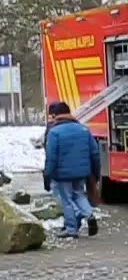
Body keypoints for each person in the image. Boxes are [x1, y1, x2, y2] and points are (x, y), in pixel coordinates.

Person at [43, 101, 100, 239]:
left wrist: (47, 175)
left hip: (63, 174)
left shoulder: (54, 132)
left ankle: (71, 229)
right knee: (79, 195)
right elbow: (95, 153)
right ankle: (89, 215)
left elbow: (51, 157)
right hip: (81, 173)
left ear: (56, 116)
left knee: (67, 200)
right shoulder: (83, 129)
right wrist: (95, 172)